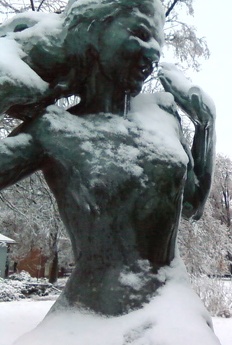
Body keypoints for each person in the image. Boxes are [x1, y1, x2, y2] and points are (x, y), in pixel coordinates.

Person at [0, 0, 215, 316]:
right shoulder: (52, 130)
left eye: (158, 41)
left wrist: (205, 127)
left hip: (174, 313)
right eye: (141, 33)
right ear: (94, 32)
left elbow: (192, 204)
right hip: (93, 318)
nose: (153, 52)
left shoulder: (163, 114)